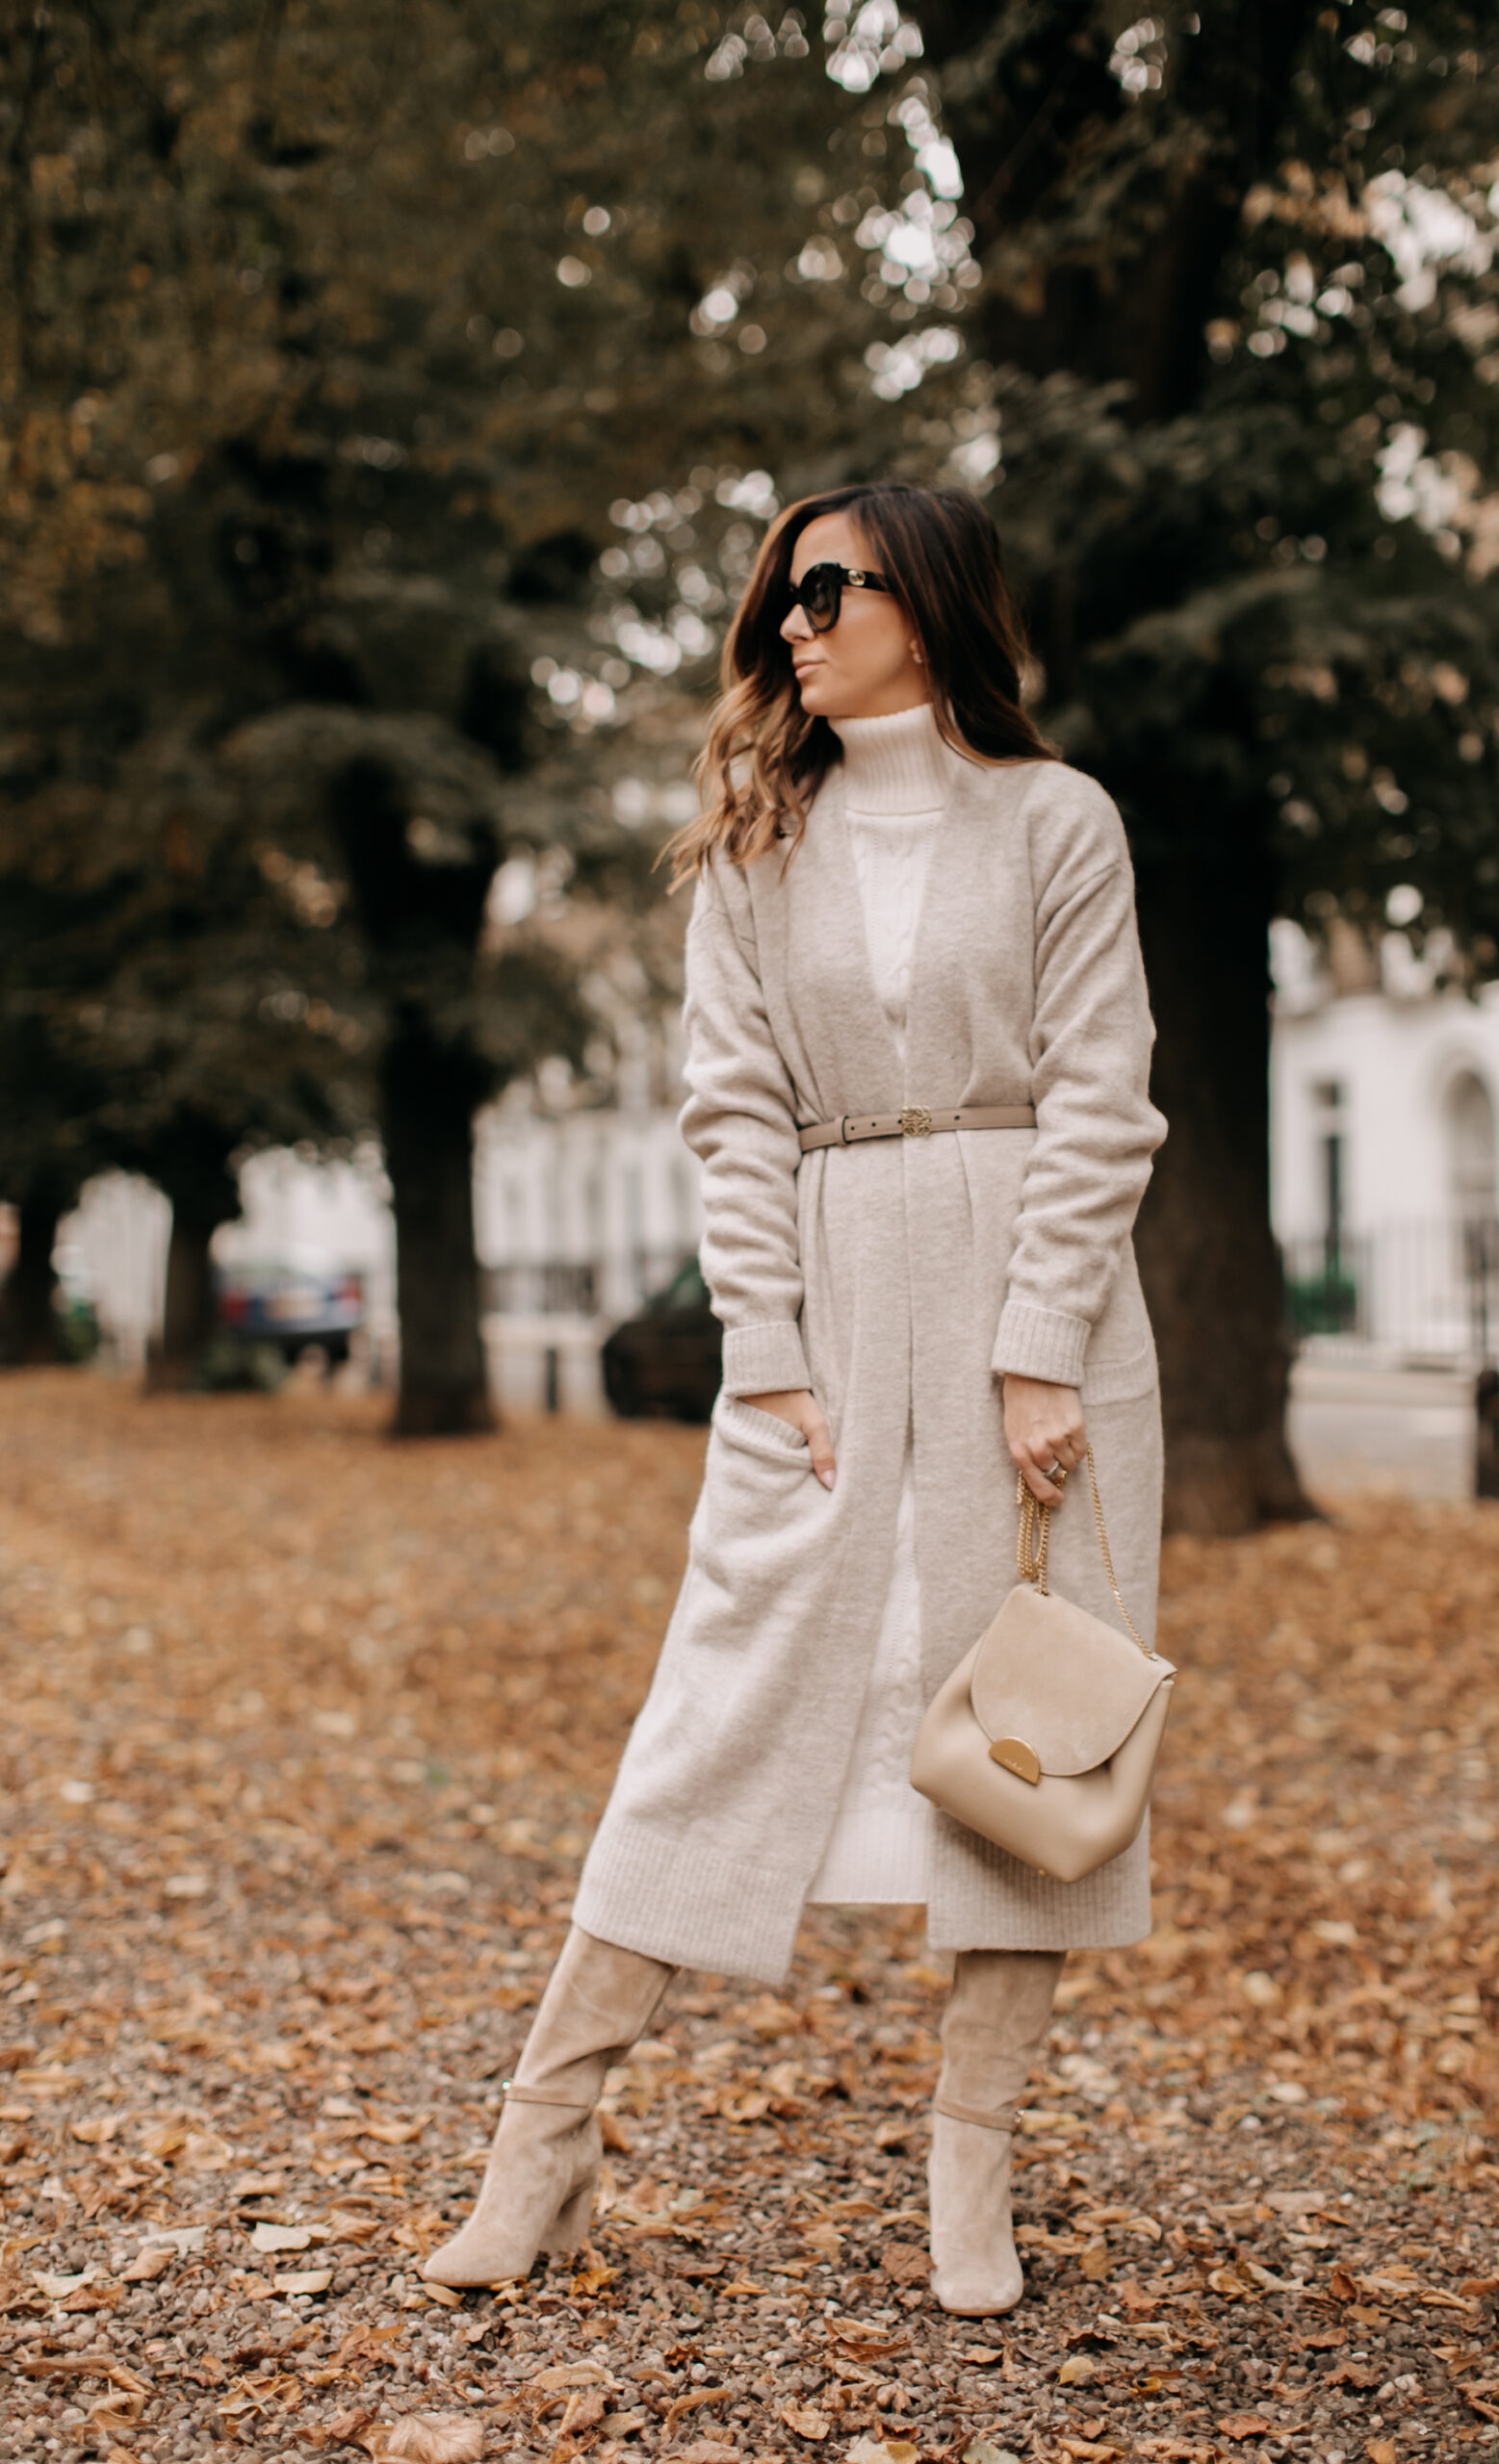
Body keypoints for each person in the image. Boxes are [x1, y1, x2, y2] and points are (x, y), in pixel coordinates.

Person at [425, 479, 1168, 2316]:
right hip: (826, 1315)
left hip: (1032, 1308)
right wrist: (762, 1348)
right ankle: (546, 2141)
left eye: (827, 589)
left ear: (928, 599)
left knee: (1031, 1733)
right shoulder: (759, 844)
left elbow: (1102, 1093)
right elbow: (732, 1114)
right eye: (780, 601)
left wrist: (1041, 1342)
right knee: (719, 1710)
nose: (794, 626)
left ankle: (971, 2174)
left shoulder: (1059, 822)